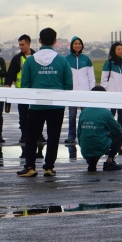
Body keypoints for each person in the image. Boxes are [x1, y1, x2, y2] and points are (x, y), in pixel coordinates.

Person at [17, 27, 73, 178]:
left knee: (31, 136)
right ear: (55, 41)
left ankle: (30, 167)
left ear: (39, 40)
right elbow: (68, 85)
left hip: (36, 105)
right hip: (56, 106)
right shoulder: (62, 61)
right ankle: (48, 167)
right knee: (53, 136)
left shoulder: (30, 61)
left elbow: (25, 85)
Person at [78, 86, 122, 172]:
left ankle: (91, 160)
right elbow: (118, 130)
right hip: (99, 145)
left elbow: (79, 133)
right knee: (119, 135)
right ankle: (109, 161)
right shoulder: (105, 113)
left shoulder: (83, 112)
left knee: (93, 136)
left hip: (85, 147)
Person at [64, 36, 95, 144]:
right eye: (75, 44)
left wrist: (91, 91)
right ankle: (71, 136)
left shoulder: (86, 59)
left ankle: (86, 135)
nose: (78, 45)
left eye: (79, 43)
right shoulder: (66, 59)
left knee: (86, 115)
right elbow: (64, 76)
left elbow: (91, 77)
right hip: (72, 92)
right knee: (72, 115)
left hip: (84, 92)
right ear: (72, 45)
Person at [4, 34, 33, 145]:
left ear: (29, 44)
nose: (21, 47)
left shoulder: (36, 56)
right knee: (23, 115)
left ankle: (37, 135)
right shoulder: (17, 59)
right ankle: (24, 135)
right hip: (21, 92)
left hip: (34, 92)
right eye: (19, 45)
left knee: (36, 115)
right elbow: (11, 73)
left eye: (22, 45)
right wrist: (7, 84)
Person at [101, 42, 122, 127]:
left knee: (121, 115)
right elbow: (104, 80)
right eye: (118, 49)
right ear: (114, 51)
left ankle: (120, 132)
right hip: (112, 94)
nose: (121, 51)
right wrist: (108, 91)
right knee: (111, 114)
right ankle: (110, 132)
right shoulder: (108, 63)